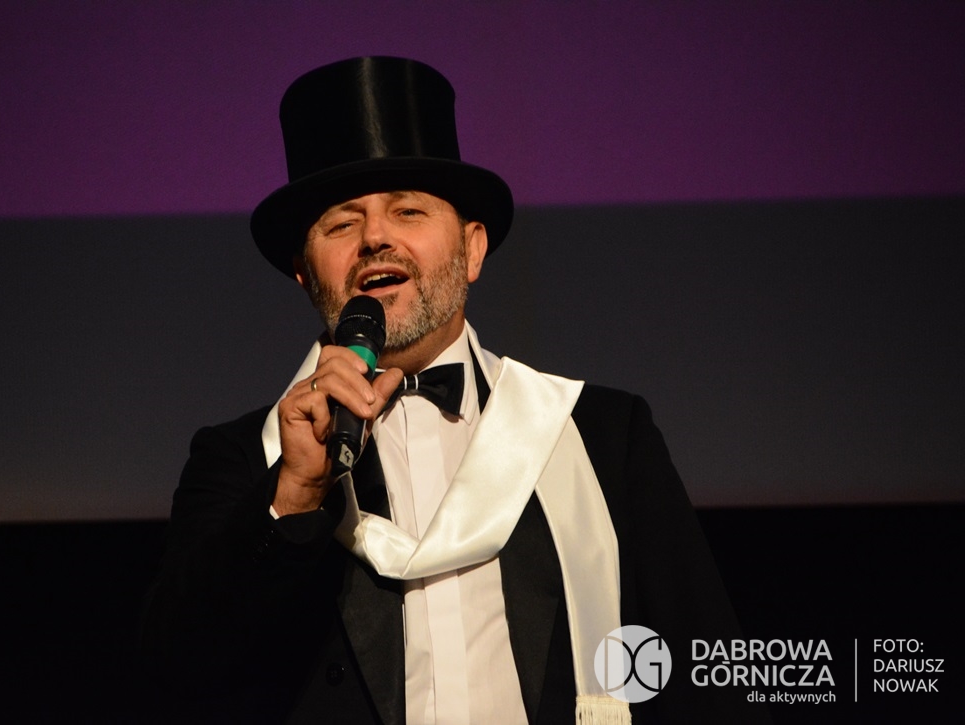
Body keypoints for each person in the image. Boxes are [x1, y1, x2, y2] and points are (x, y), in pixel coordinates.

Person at [142, 56, 770, 725]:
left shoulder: (602, 435)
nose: (375, 237)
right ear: (305, 273)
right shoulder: (244, 460)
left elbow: (710, 682)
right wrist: (293, 494)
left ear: (472, 250)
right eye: (342, 223)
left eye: (408, 210)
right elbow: (181, 673)